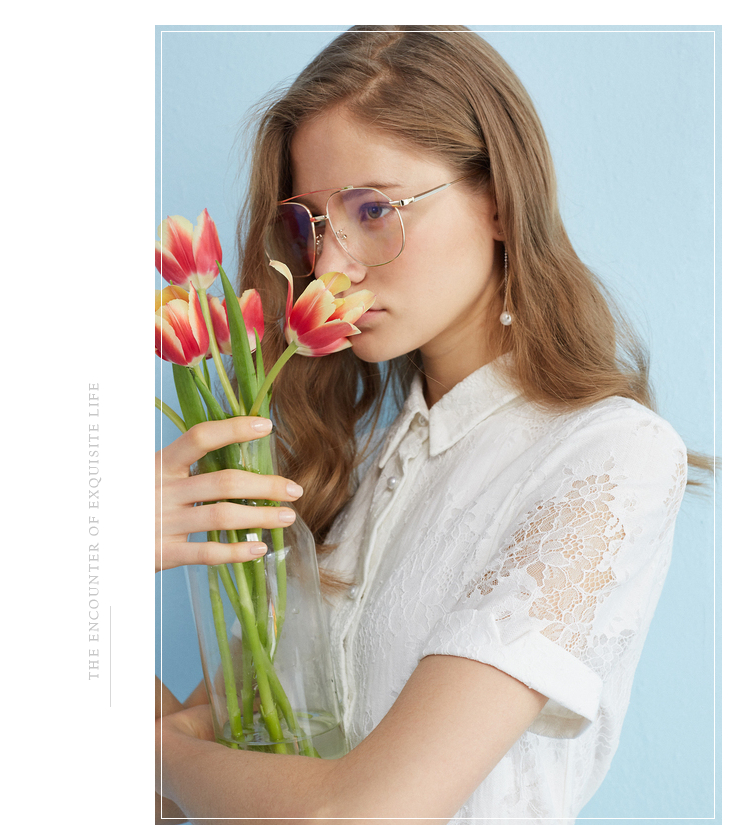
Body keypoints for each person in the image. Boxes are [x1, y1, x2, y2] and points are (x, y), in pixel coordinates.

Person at [156, 25, 710, 824]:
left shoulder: (610, 454)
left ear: (500, 201)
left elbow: (359, 814)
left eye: (373, 209)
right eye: (311, 225)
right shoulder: (349, 470)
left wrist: (157, 752)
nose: (330, 268)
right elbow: (177, 789)